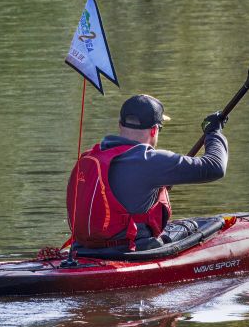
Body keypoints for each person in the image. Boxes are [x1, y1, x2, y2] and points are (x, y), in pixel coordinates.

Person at [67, 94, 228, 252]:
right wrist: (214, 133)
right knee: (199, 228)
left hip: (83, 249)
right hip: (130, 250)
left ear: (120, 125)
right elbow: (215, 167)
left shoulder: (91, 155)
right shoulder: (151, 160)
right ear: (154, 130)